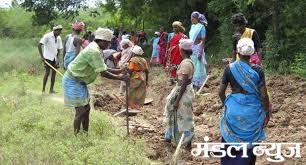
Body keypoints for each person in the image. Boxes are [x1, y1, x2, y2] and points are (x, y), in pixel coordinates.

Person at [62, 28, 128, 134]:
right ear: (102, 41)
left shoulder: (96, 48)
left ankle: (85, 134)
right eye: (108, 42)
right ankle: (77, 137)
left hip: (80, 81)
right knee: (80, 111)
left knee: (87, 109)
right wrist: (120, 77)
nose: (109, 44)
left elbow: (103, 67)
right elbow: (103, 72)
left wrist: (119, 71)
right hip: (73, 81)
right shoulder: (93, 51)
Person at [218, 38, 271, 165]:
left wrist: (227, 104)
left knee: (229, 142)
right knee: (249, 146)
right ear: (252, 53)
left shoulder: (229, 68)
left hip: (233, 109)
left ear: (237, 51)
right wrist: (267, 111)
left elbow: (221, 92)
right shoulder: (258, 70)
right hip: (253, 111)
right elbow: (263, 94)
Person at [163, 39, 195, 150]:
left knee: (185, 117)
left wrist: (177, 100)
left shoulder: (186, 63)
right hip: (182, 90)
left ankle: (187, 143)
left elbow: (184, 82)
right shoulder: (186, 62)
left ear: (182, 50)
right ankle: (170, 137)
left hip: (183, 92)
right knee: (175, 114)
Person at [38, 25, 63, 94]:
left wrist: (57, 58)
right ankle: (43, 90)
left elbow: (59, 49)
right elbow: (39, 45)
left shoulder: (58, 38)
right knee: (47, 73)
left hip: (54, 58)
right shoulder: (47, 36)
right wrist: (42, 57)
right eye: (59, 31)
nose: (60, 32)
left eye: (61, 31)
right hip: (47, 57)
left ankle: (51, 90)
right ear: (55, 30)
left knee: (54, 74)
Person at [189, 11, 207, 91]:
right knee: (193, 66)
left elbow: (203, 40)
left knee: (199, 66)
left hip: (198, 48)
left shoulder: (201, 27)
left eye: (193, 17)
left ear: (197, 18)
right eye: (191, 17)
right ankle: (193, 83)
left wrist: (200, 51)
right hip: (192, 49)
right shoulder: (192, 26)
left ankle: (199, 84)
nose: (191, 19)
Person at [167, 21, 187, 85]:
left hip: (180, 53)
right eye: (173, 27)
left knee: (179, 65)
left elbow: (186, 45)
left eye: (175, 27)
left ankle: (179, 79)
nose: (174, 29)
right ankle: (172, 79)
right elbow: (170, 44)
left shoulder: (183, 36)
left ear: (178, 28)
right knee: (173, 66)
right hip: (173, 53)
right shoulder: (172, 35)